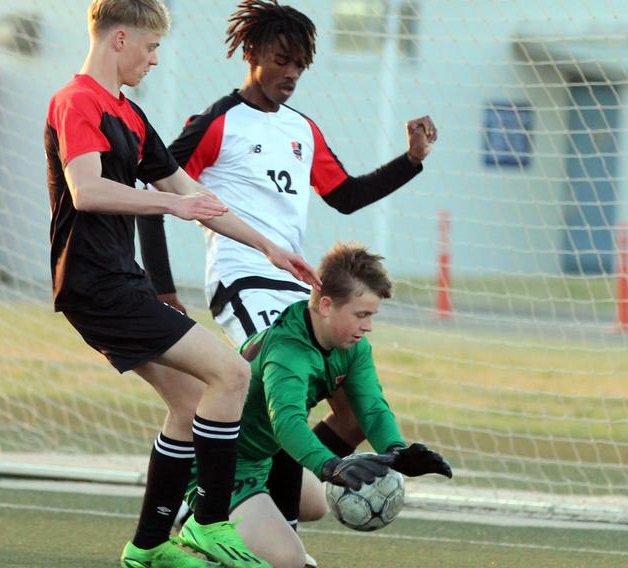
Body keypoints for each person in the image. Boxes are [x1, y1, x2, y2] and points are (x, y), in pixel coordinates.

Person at [142, 1, 439, 551]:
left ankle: (228, 491)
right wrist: (163, 288)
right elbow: (155, 193)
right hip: (242, 280)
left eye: (301, 64)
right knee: (287, 398)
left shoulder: (303, 129)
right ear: (251, 53)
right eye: (282, 60)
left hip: (297, 285)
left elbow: (346, 196)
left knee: (350, 409)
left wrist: (412, 159)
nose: (292, 74)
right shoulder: (216, 123)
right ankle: (273, 533)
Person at [44, 1, 320, 566]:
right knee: (233, 372)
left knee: (192, 399)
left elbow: (193, 193)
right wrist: (173, 204)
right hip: (95, 283)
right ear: (119, 39)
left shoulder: (129, 113)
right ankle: (211, 522)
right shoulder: (77, 102)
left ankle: (146, 550)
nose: (154, 59)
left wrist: (268, 246)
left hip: (121, 280)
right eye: (151, 47)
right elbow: (87, 192)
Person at [183, 242, 452, 568]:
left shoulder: (350, 345)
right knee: (290, 561)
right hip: (219, 468)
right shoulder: (288, 353)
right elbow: (287, 425)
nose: (368, 326)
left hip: (260, 459)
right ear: (326, 305)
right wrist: (331, 466)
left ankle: (241, 524)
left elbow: (372, 407)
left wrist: (396, 450)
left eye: (371, 315)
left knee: (315, 505)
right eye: (361, 315)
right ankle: (197, 521)